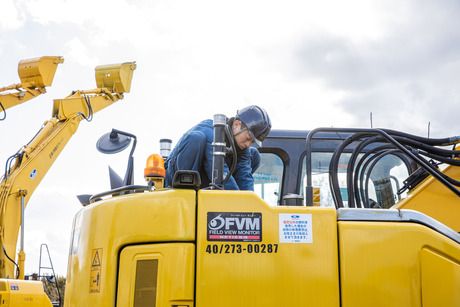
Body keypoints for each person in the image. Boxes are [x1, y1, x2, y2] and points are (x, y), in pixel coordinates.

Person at [165, 105, 271, 190]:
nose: (248, 144)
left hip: (206, 179)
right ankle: (186, 192)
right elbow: (219, 172)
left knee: (254, 154)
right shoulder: (211, 133)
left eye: (252, 141)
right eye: (248, 138)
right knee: (196, 138)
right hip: (177, 176)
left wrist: (251, 205)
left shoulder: (242, 147)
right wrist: (237, 202)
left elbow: (245, 176)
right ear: (237, 124)